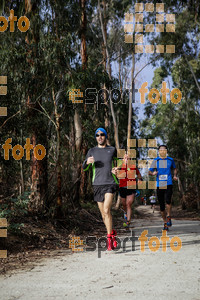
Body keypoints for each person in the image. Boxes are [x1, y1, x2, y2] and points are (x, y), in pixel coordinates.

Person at [82, 127, 118, 251]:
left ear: (106, 136)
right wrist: (87, 162)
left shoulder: (112, 149)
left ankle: (108, 239)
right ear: (95, 137)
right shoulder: (92, 151)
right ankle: (112, 233)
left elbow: (116, 164)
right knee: (103, 214)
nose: (100, 137)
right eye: (97, 135)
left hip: (110, 183)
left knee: (107, 209)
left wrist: (116, 170)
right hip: (97, 184)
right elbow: (84, 168)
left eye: (102, 134)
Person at [149, 145, 178, 230]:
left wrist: (175, 175)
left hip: (168, 182)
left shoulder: (170, 160)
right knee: (162, 206)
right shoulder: (156, 160)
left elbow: (175, 168)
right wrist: (153, 173)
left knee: (168, 200)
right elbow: (149, 172)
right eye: (161, 150)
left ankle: (168, 216)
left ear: (166, 151)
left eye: (164, 150)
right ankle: (165, 223)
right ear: (159, 152)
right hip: (160, 184)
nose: (162, 151)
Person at [117, 151, 142, 228]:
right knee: (124, 204)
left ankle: (128, 222)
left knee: (128, 204)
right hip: (122, 187)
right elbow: (116, 173)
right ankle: (125, 213)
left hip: (131, 187)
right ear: (123, 159)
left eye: (128, 158)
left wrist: (140, 179)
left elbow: (138, 174)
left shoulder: (133, 166)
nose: (127, 159)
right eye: (125, 158)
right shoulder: (120, 166)